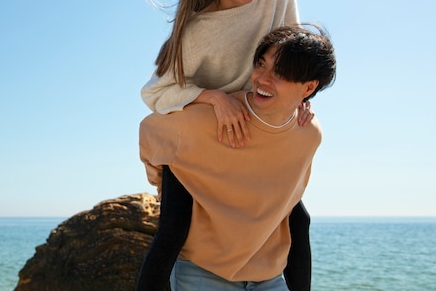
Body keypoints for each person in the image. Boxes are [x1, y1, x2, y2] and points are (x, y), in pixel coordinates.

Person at [137, 0, 312, 291]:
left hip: (259, 125)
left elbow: (294, 52)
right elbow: (155, 94)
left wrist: (304, 97)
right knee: (174, 227)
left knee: (297, 219)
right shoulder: (197, 32)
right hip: (204, 137)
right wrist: (213, 97)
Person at [140, 25, 337, 291]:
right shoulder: (212, 120)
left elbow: (289, 203)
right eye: (261, 64)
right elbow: (151, 130)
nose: (262, 79)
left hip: (269, 276)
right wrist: (170, 181)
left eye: (280, 73)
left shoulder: (308, 134)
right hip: (203, 272)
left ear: (308, 88)